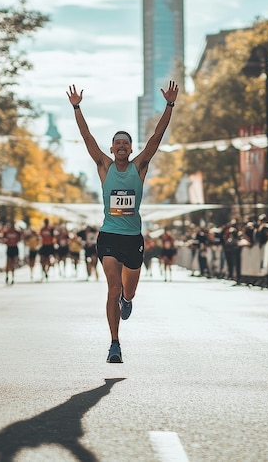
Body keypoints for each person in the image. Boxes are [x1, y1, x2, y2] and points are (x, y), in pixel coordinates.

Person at [67, 80, 179, 363]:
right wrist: (77, 107)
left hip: (133, 240)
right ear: (112, 148)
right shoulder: (103, 166)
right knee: (112, 288)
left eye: (125, 143)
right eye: (116, 143)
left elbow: (157, 136)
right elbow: (87, 137)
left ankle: (127, 301)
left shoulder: (139, 166)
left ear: (130, 150)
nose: (120, 146)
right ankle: (114, 343)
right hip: (109, 237)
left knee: (127, 292)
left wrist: (169, 105)